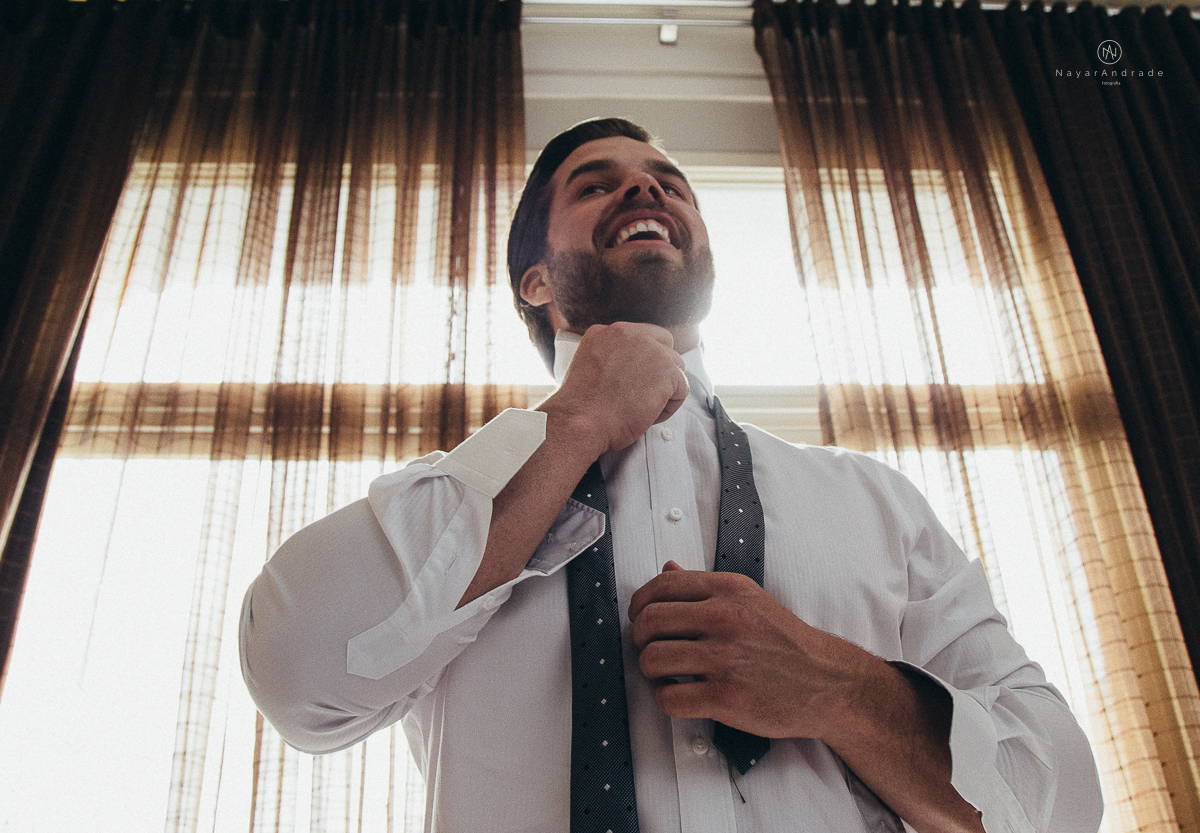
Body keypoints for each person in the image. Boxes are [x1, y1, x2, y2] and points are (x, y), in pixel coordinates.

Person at [239, 118, 1103, 833]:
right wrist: (573, 424)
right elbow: (294, 670)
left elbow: (1062, 799)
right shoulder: (450, 504)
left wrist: (836, 687)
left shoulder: (874, 501)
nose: (644, 191)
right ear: (533, 279)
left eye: (669, 183)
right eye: (596, 184)